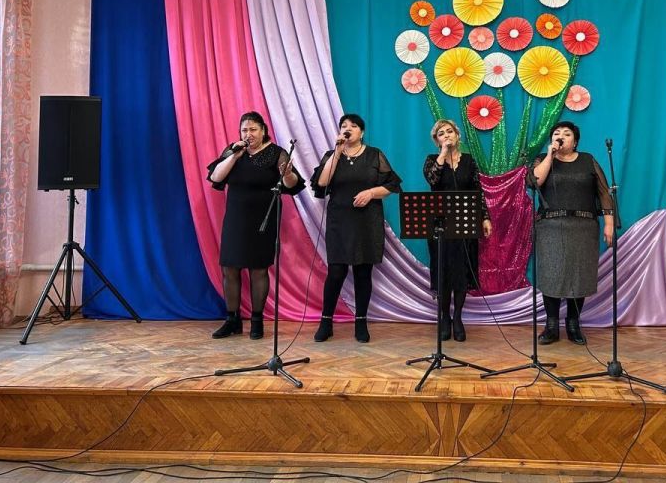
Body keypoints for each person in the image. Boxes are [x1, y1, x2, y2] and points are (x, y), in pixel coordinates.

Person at [206, 112, 304, 340]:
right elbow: (216, 178)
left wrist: (287, 173)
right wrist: (234, 155)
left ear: (263, 130)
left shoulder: (277, 153)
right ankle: (232, 320)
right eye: (244, 130)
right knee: (230, 268)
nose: (248, 134)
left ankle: (257, 321)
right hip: (235, 219)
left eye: (253, 130)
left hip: (263, 219)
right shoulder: (234, 151)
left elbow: (292, 184)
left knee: (258, 269)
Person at [311, 113, 401, 343]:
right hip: (339, 221)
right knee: (336, 272)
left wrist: (371, 193)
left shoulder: (374, 155)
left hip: (366, 221)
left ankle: (361, 322)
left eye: (353, 126)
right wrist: (337, 150)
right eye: (344, 126)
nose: (347, 129)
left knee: (363, 272)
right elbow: (322, 183)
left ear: (362, 132)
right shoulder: (332, 155)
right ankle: (326, 322)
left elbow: (392, 185)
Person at [530, 120, 614, 345]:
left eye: (567, 134)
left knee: (579, 275)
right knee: (552, 274)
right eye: (557, 133)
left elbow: (604, 193)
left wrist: (609, 223)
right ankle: (551, 325)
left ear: (575, 141)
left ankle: (573, 324)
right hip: (550, 227)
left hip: (583, 227)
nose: (561, 136)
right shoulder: (543, 159)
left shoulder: (587, 160)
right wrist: (550, 156)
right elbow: (535, 181)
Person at [423, 119, 492, 342]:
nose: (446, 135)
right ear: (437, 141)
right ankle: (445, 317)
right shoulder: (432, 160)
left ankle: (458, 318)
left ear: (457, 135)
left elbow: (478, 190)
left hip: (465, 222)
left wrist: (485, 217)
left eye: (449, 131)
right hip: (440, 224)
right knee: (443, 271)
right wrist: (443, 155)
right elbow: (432, 180)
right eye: (441, 134)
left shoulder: (469, 161)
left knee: (462, 272)